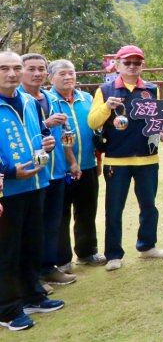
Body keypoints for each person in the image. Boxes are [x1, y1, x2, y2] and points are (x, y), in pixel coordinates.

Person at [88, 45, 163, 271]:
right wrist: (106, 107)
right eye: (128, 62)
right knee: (114, 208)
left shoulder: (152, 89)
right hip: (117, 159)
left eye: (137, 63)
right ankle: (113, 254)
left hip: (148, 158)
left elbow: (159, 121)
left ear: (143, 65)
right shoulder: (105, 90)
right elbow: (93, 122)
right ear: (117, 65)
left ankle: (147, 246)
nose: (133, 67)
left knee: (149, 206)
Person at [0, 51, 64, 332]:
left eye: (15, 68)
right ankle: (7, 310)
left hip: (35, 183)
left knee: (31, 244)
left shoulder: (30, 101)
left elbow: (40, 136)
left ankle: (32, 295)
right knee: (6, 251)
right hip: (7, 189)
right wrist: (11, 172)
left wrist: (44, 152)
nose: (11, 74)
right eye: (4, 69)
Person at [48, 60, 106, 273]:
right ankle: (62, 260)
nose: (68, 77)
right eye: (62, 74)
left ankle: (87, 251)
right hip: (60, 169)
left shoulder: (87, 98)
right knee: (60, 215)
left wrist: (98, 159)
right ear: (50, 78)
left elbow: (96, 131)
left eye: (71, 73)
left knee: (87, 210)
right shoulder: (47, 101)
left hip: (88, 164)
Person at [20, 54, 73, 286]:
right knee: (31, 227)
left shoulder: (53, 98)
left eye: (41, 68)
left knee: (54, 222)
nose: (37, 73)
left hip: (57, 170)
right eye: (31, 68)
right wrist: (45, 125)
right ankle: (30, 278)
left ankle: (48, 268)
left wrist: (71, 161)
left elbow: (66, 135)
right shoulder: (16, 99)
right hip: (30, 175)